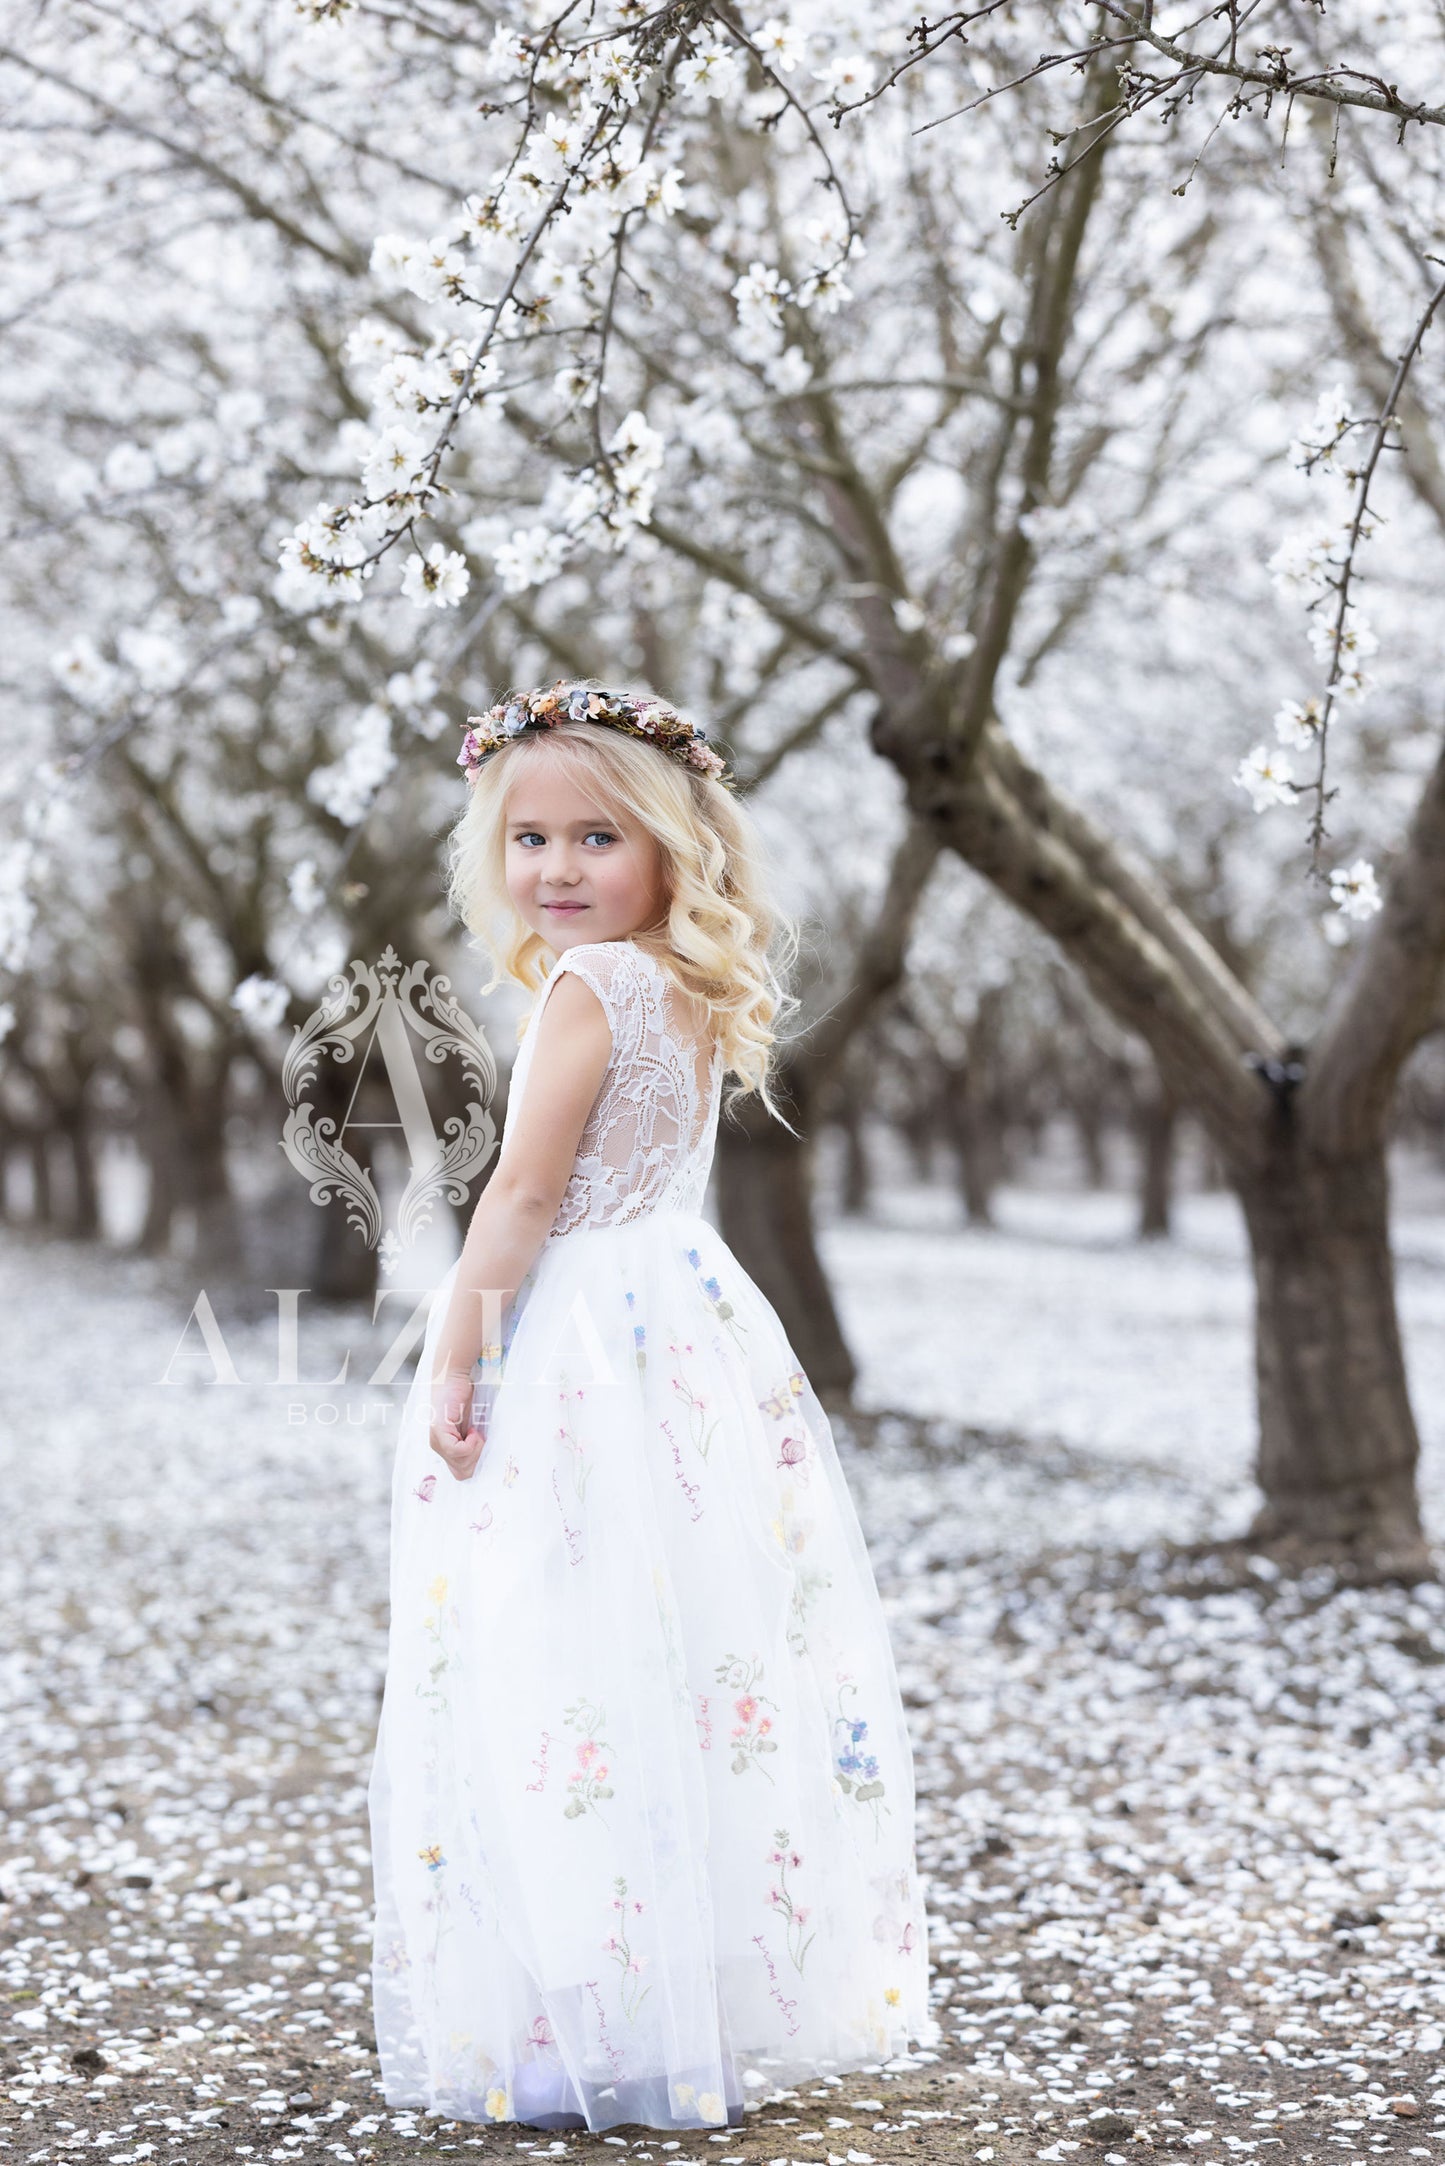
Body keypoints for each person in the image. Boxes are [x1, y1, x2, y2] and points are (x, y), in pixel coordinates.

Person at [368, 680, 932, 2136]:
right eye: (529, 838)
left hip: (579, 1340)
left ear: (674, 846)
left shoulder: (589, 986)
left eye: (597, 836)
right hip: (682, 1324)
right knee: (684, 1641)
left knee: (561, 1644)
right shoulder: (680, 982)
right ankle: (689, 1989)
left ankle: (592, 2002)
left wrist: (458, 1350)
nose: (555, 869)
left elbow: (528, 1191)